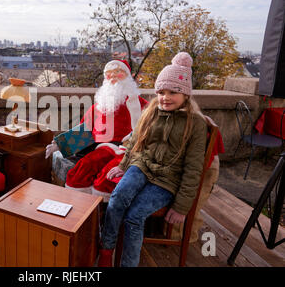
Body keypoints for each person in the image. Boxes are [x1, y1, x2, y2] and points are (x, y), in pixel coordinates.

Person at [98, 52, 208, 267]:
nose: (166, 97)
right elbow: (136, 141)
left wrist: (182, 206)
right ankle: (106, 249)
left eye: (173, 92)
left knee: (134, 216)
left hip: (167, 179)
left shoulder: (195, 123)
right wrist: (124, 165)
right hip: (142, 165)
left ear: (186, 94)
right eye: (162, 92)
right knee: (118, 197)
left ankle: (127, 264)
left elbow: (194, 168)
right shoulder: (152, 111)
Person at [45, 59, 148, 200]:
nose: (113, 76)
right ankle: (81, 210)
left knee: (106, 179)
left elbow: (153, 126)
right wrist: (59, 145)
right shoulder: (100, 106)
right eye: (109, 73)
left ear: (128, 76)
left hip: (129, 149)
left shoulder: (142, 106)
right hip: (102, 148)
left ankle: (104, 212)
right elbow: (85, 130)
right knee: (79, 172)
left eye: (118, 72)